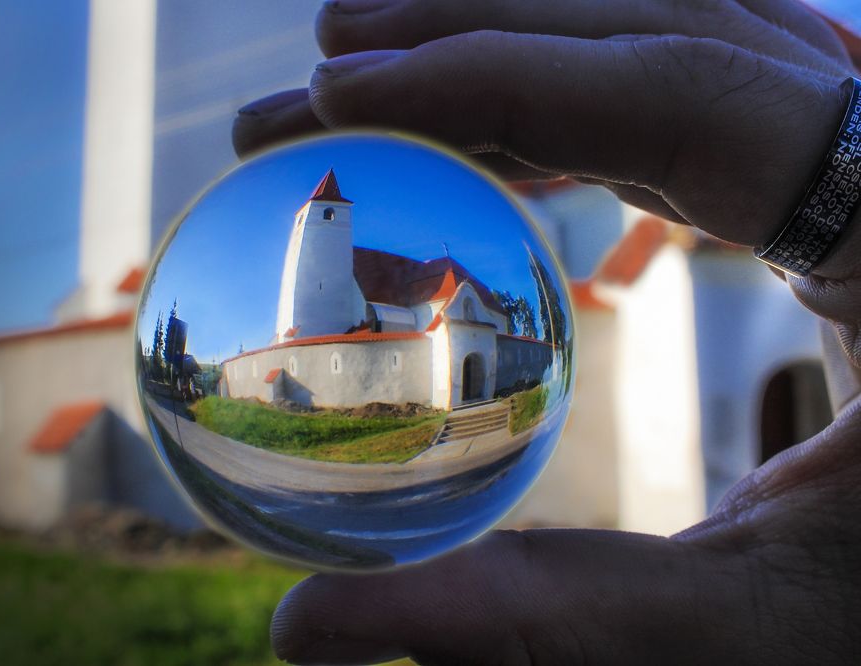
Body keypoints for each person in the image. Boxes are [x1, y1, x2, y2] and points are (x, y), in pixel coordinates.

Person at [231, 1, 861, 663]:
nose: (330, 218)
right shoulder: (365, 276)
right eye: (324, 214)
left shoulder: (445, 286)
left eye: (334, 212)